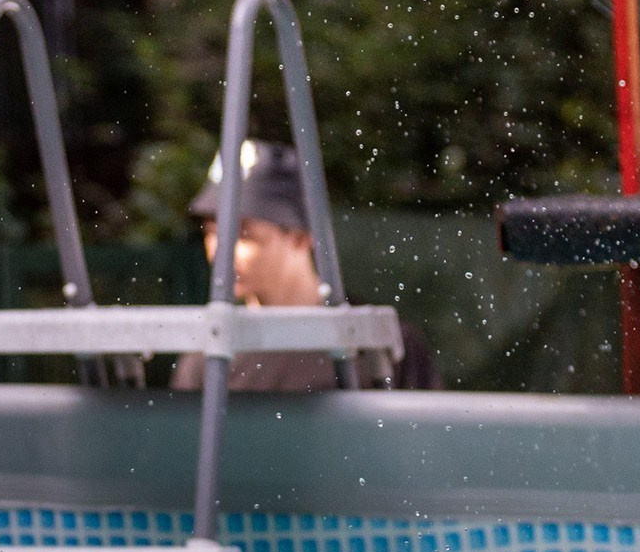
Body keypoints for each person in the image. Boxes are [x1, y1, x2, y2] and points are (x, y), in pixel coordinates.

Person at [171, 139, 440, 392]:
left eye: (243, 234)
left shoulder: (379, 345)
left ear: (302, 237)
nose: (218, 251)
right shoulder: (207, 358)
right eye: (211, 232)